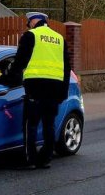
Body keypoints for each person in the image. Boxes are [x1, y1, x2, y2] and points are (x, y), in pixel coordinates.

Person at [8, 12, 71, 169]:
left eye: (28, 23)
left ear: (33, 21)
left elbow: (19, 62)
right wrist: (63, 92)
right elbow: (67, 68)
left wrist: (6, 78)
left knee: (31, 124)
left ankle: (30, 160)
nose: (28, 26)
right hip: (55, 90)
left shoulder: (30, 36)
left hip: (35, 88)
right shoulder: (59, 39)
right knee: (49, 124)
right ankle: (46, 159)